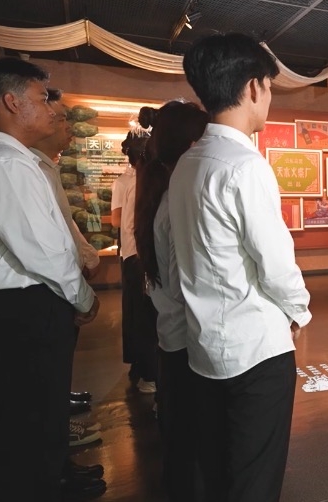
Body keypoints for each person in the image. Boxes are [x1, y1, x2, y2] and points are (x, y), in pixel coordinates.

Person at [0, 56, 101, 502]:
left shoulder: (10, 159)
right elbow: (43, 249)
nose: (51, 109)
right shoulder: (4, 163)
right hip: (23, 308)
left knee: (37, 419)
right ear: (12, 102)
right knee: (24, 430)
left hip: (27, 306)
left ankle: (52, 481)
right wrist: (83, 297)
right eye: (41, 98)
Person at [173, 32, 312, 502]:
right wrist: (298, 310)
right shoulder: (245, 166)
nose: (269, 97)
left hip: (204, 346)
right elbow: (274, 262)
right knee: (255, 474)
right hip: (255, 348)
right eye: (270, 87)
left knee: (217, 467)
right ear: (254, 87)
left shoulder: (188, 163)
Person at [133, 101, 209, 501]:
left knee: (178, 436)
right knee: (190, 442)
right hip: (186, 342)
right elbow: (186, 283)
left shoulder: (158, 192)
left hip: (171, 334)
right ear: (193, 144)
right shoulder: (177, 200)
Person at [29, 89, 105, 460]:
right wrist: (82, 296)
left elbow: (65, 225)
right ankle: (55, 454)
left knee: (57, 366)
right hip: (39, 291)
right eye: (59, 118)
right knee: (44, 373)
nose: (65, 127)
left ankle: (58, 429)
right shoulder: (22, 168)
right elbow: (47, 241)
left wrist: (86, 254)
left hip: (56, 287)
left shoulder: (45, 167)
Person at [111, 115, 158, 394]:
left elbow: (119, 221)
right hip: (143, 254)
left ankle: (141, 367)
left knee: (137, 312)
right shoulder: (148, 180)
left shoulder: (126, 181)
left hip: (132, 253)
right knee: (148, 314)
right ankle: (149, 371)